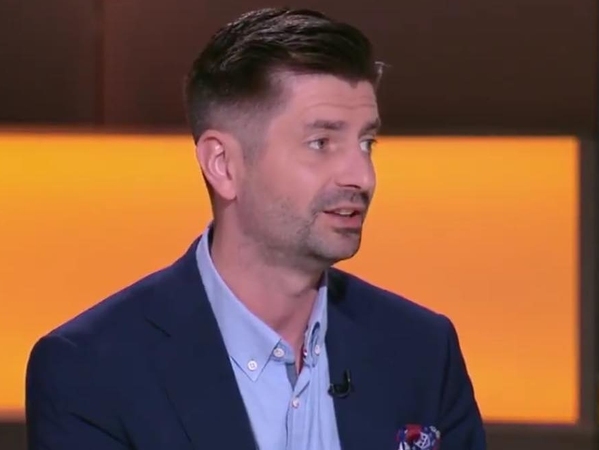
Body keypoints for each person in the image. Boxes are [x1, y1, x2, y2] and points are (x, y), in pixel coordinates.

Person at [25, 7, 486, 450]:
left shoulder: (422, 350)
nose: (361, 177)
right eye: (321, 142)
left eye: (366, 143)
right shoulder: (91, 370)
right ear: (223, 164)